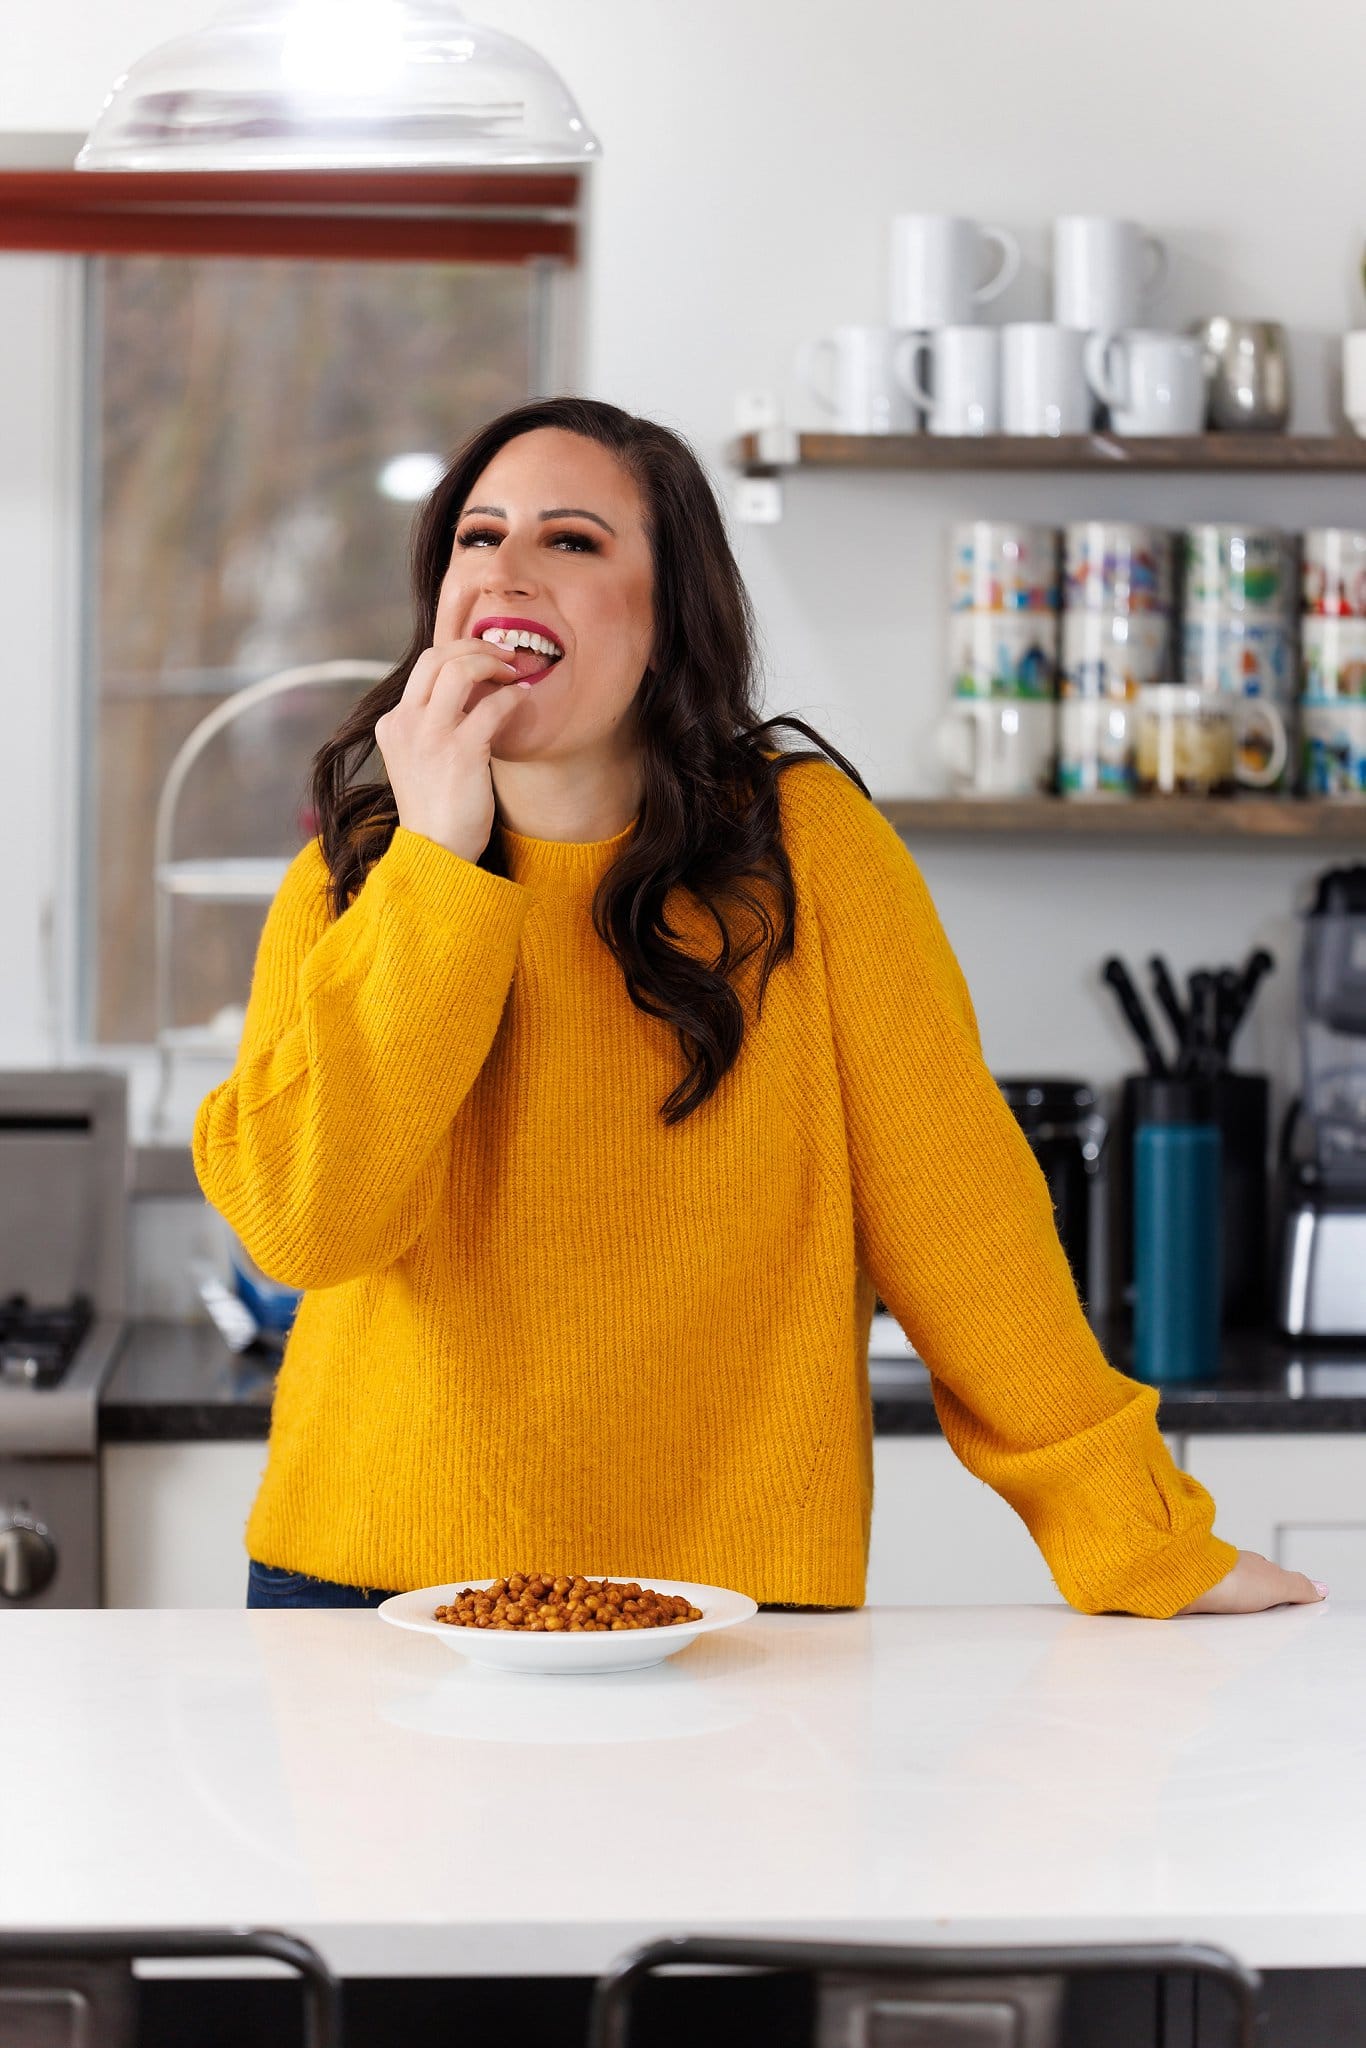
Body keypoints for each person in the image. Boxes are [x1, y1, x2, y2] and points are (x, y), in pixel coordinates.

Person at [194, 396, 1325, 1622]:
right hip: (363, 1593)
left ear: (669, 611)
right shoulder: (359, 876)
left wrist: (1140, 1535)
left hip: (724, 1608)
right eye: (479, 536)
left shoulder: (804, 849)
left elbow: (962, 1218)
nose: (507, 567)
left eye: (571, 541)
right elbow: (307, 1225)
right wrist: (437, 867)